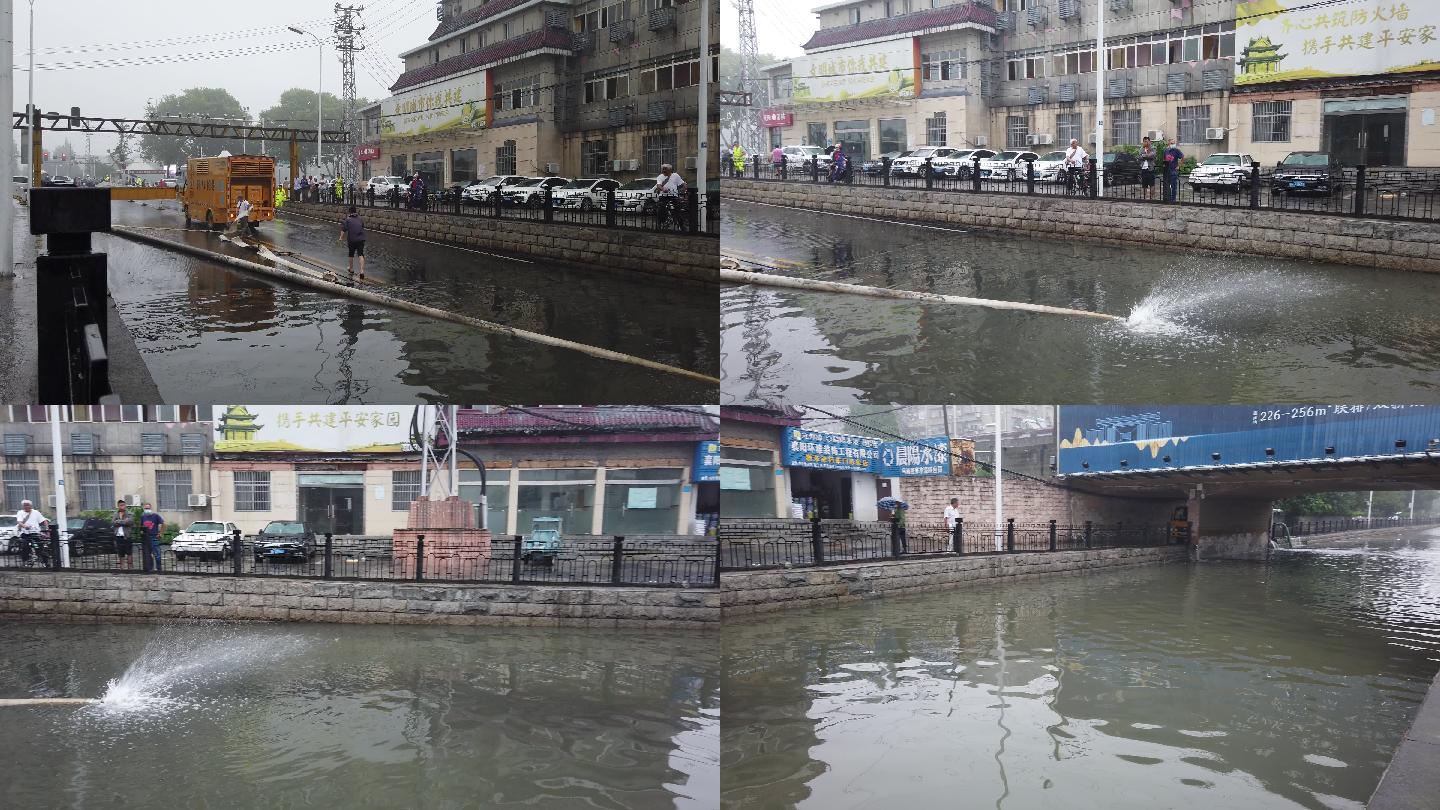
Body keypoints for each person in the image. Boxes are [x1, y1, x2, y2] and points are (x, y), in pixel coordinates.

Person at [13, 499, 49, 567]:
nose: (26, 506)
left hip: (35, 533)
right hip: (25, 533)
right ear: (23, 506)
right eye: (25, 505)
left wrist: (47, 528)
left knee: (41, 547)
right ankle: (25, 561)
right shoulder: (20, 512)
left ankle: (46, 562)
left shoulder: (35, 512)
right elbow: (19, 522)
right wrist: (24, 526)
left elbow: (44, 520)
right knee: (25, 546)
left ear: (30, 506)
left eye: (28, 505)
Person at [652, 163, 688, 230]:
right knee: (661, 209)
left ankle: (682, 225)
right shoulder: (660, 176)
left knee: (678, 210)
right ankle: (659, 225)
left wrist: (684, 189)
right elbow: (659, 185)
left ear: (670, 170)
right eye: (663, 169)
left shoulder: (675, 176)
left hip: (673, 195)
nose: (663, 171)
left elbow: (683, 183)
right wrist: (663, 189)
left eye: (665, 169)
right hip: (663, 195)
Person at [340, 206, 366, 282]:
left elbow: (343, 229)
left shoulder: (348, 219)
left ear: (350, 212)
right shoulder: (360, 219)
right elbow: (362, 226)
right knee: (360, 254)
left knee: (351, 254)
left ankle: (351, 269)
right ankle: (361, 271)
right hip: (361, 239)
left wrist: (341, 237)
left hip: (352, 239)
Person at [140, 502, 165, 571]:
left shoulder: (155, 516)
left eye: (148, 508)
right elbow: (141, 526)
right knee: (148, 554)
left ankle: (159, 569)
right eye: (145, 508)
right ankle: (150, 568)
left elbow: (163, 524)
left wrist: (160, 533)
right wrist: (141, 532)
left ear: (151, 508)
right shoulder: (143, 516)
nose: (147, 509)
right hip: (146, 538)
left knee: (157, 554)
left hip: (154, 537)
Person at [112, 499, 134, 568]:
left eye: (124, 505)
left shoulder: (129, 513)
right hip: (118, 536)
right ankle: (122, 567)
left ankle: (130, 567)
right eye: (121, 505)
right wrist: (123, 521)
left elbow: (129, 522)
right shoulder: (115, 514)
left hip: (127, 536)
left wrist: (119, 522)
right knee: (120, 553)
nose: (123, 506)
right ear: (118, 506)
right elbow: (113, 522)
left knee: (129, 552)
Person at [1162, 138, 1185, 202]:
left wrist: (1178, 166)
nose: (1173, 144)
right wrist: (1164, 166)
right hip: (1167, 170)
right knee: (1166, 185)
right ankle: (1167, 198)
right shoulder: (1166, 150)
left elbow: (1182, 157)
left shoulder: (1176, 150)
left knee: (1173, 185)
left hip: (1173, 170)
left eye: (1174, 143)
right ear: (1168, 144)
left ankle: (1173, 199)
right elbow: (1164, 159)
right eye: (1172, 143)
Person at [1138, 136, 1158, 200]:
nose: (1145, 142)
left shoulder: (1153, 148)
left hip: (1150, 168)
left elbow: (1153, 155)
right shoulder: (1141, 149)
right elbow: (1139, 157)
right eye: (1144, 141)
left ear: (1149, 142)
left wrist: (1145, 155)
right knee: (1144, 184)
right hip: (1143, 168)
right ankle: (1144, 197)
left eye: (1147, 141)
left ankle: (1152, 198)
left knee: (1152, 184)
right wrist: (1146, 155)